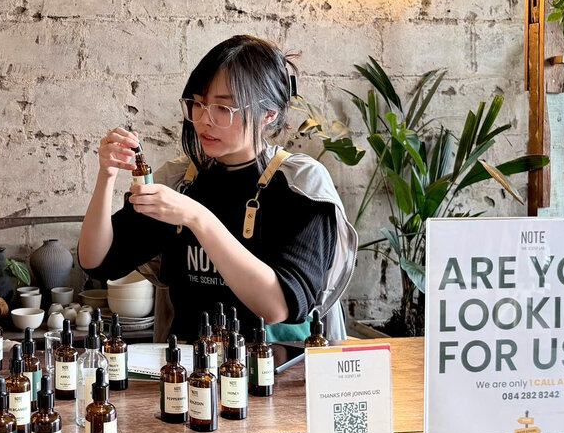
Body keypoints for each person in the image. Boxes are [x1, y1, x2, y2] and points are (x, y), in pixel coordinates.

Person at [78, 35, 356, 343]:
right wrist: (106, 176)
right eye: (197, 103)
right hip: (191, 373)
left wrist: (198, 217)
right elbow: (98, 261)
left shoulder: (301, 186)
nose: (203, 120)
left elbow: (278, 306)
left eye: (224, 108)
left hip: (275, 375)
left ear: (269, 114)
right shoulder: (181, 180)